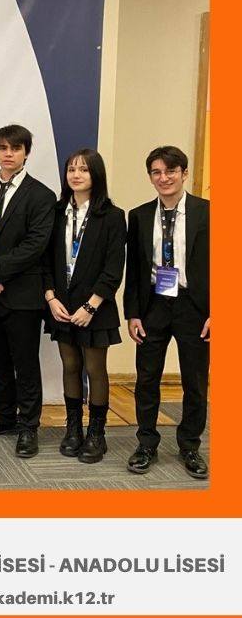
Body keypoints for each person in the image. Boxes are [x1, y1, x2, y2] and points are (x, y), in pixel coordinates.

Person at [0, 124, 56, 458]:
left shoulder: (42, 195)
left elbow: (35, 245)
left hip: (22, 294)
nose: (9, 154)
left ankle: (28, 426)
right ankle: (3, 416)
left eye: (16, 148)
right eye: (3, 148)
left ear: (26, 153)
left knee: (25, 362)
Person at [124, 146, 210, 479]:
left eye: (171, 171)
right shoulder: (139, 215)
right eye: (156, 172)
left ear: (184, 174)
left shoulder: (207, 212)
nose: (164, 178)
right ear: (150, 177)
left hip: (194, 307)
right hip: (153, 306)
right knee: (146, 379)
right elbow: (134, 269)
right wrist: (133, 313)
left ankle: (190, 445)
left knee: (195, 381)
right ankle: (146, 443)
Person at [43, 149, 125, 464]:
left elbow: (113, 268)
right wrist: (50, 297)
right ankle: (73, 429)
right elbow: (45, 260)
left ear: (96, 175)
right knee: (70, 366)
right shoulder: (56, 211)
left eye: (84, 170)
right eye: (72, 169)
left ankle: (96, 433)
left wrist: (91, 307)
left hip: (96, 308)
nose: (76, 175)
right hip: (61, 305)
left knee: (94, 369)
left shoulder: (112, 215)